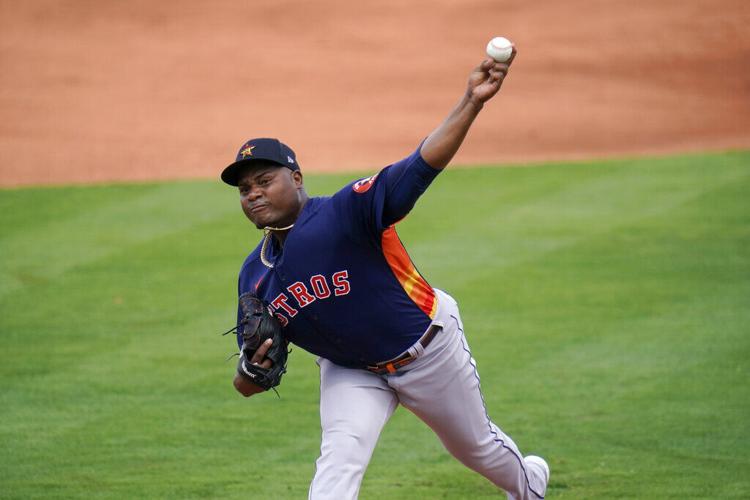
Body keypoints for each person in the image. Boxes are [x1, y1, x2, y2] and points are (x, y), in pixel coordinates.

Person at [221, 50, 550, 500]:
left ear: (296, 178)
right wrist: (249, 370)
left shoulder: (346, 211)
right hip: (351, 370)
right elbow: (248, 380)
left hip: (428, 351)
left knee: (475, 449)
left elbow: (420, 165)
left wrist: (471, 101)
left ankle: (530, 485)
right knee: (339, 460)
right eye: (244, 189)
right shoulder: (254, 277)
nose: (253, 194)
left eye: (264, 181)